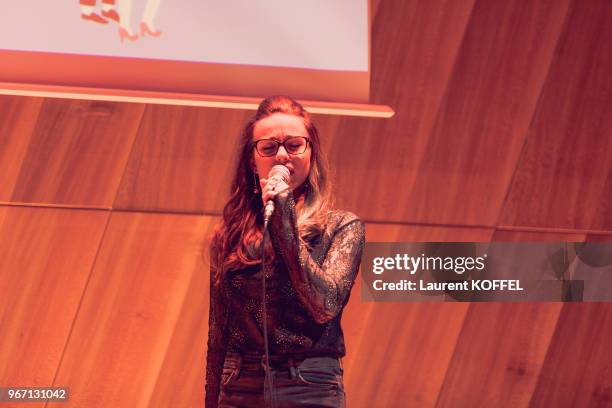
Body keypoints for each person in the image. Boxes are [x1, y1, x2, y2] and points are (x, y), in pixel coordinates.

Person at [205, 95, 365, 407]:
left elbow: (324, 305)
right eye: (268, 147)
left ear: (311, 153)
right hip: (239, 383)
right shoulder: (231, 232)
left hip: (308, 384)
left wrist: (285, 217)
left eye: (293, 145)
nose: (282, 156)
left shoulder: (342, 226)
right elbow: (217, 334)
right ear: (253, 160)